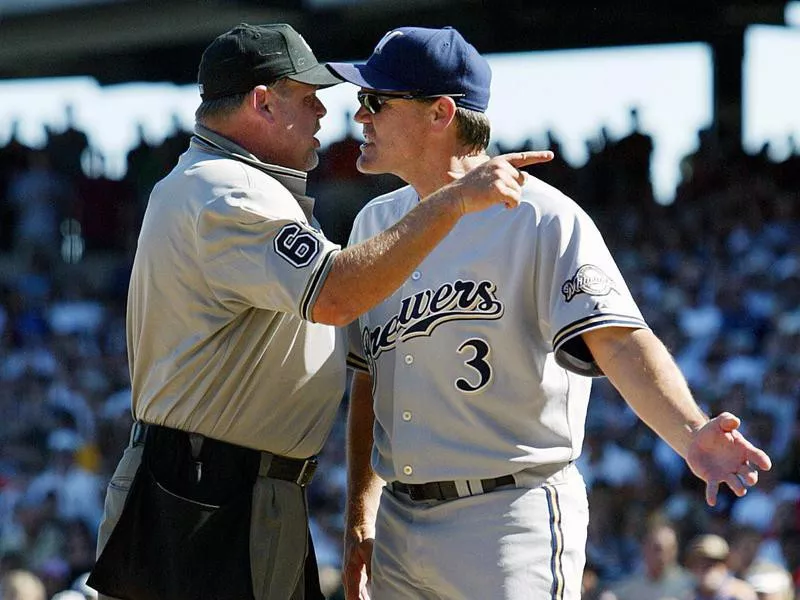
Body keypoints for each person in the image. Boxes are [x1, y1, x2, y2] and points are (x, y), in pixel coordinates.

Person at [87, 22, 552, 600]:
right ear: (262, 102)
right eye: (308, 101)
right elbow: (333, 294)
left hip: (225, 485)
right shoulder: (226, 189)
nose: (325, 117)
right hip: (207, 492)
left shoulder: (227, 184)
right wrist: (454, 200)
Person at [326, 25, 773, 600]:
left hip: (507, 516)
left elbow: (617, 339)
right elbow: (367, 380)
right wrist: (362, 513)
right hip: (399, 523)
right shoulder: (373, 224)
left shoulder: (540, 216)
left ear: (440, 113)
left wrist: (690, 432)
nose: (360, 116)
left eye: (375, 101)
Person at [607, 519, 694, 600]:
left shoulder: (688, 585)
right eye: (658, 549)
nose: (666, 555)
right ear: (645, 548)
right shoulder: (636, 583)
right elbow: (612, 593)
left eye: (671, 549)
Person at [685, 534, 758, 600]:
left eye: (714, 563)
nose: (708, 569)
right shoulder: (687, 595)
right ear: (692, 567)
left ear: (726, 565)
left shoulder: (741, 594)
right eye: (701, 563)